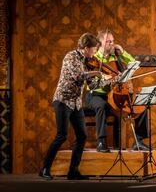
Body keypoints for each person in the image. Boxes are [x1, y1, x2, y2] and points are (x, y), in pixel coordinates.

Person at [39, 33, 106, 180]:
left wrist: (109, 81)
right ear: (86, 48)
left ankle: (73, 171)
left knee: (82, 136)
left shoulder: (87, 61)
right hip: (63, 100)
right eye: (94, 50)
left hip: (75, 103)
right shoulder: (71, 57)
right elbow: (78, 76)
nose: (95, 53)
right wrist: (96, 72)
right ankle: (45, 168)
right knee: (61, 135)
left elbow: (93, 85)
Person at [85, 29, 149, 153]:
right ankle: (101, 142)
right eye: (108, 41)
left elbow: (133, 63)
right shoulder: (94, 58)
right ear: (99, 43)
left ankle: (139, 141)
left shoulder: (116, 56)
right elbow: (91, 83)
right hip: (97, 94)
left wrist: (122, 51)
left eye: (112, 41)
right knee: (101, 105)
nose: (111, 44)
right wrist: (106, 79)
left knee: (141, 105)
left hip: (116, 94)